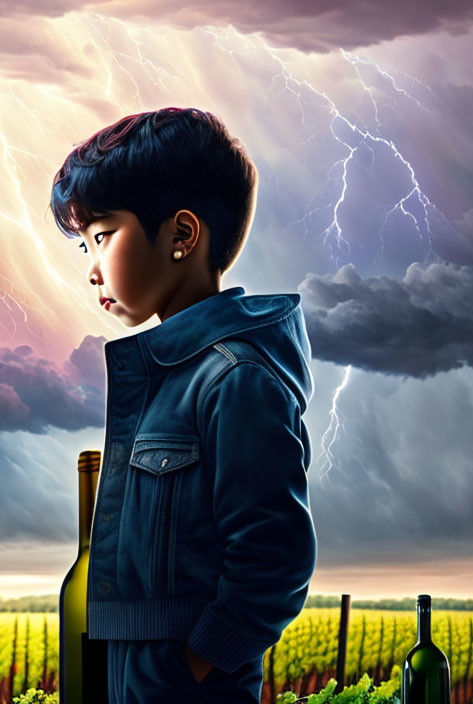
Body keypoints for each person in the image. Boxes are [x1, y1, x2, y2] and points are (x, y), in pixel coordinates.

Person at [48, 107, 317, 704]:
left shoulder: (235, 380)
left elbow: (275, 561)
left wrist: (188, 665)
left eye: (102, 236)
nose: (92, 270)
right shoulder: (169, 376)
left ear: (180, 236)